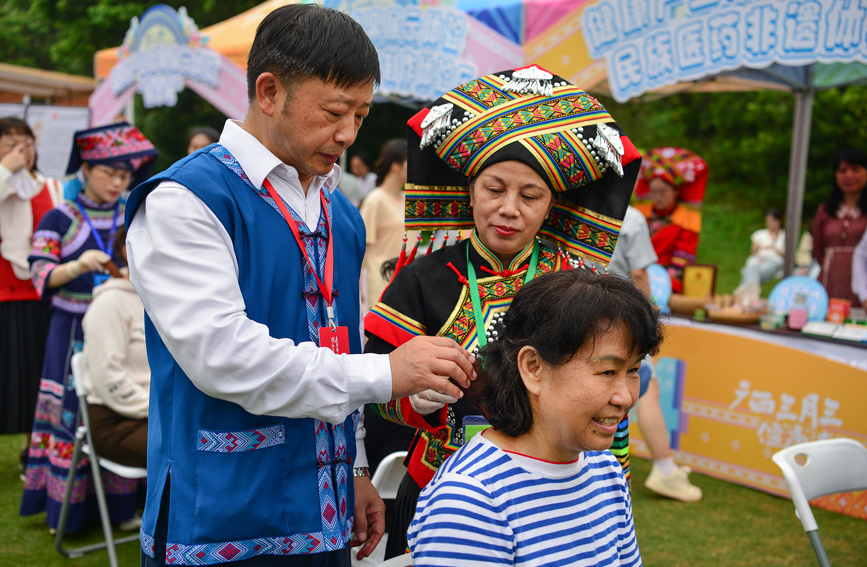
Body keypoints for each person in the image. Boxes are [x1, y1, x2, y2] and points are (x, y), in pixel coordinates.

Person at [123, 6, 475, 566]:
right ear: (268, 91)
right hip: (219, 511)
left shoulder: (343, 214)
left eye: (361, 114)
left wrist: (358, 466)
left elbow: (343, 345)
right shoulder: (185, 200)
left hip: (326, 505)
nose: (349, 133)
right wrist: (387, 373)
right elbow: (222, 356)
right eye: (335, 112)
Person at [363, 65, 641, 558]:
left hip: (558, 493)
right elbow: (373, 393)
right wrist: (413, 395)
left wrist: (615, 471)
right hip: (440, 491)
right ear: (468, 189)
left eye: (530, 195)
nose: (509, 208)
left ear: (552, 204)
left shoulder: (578, 286)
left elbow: (609, 385)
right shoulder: (423, 277)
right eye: (494, 190)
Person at [408, 269, 663, 566]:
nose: (626, 397)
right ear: (533, 368)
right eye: (607, 372)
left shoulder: (605, 471)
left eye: (633, 371)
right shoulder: (471, 498)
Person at [20, 122, 157, 534]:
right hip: (71, 327)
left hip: (127, 321)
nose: (118, 183)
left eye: (125, 176)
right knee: (69, 412)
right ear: (85, 169)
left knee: (122, 404)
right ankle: (67, 511)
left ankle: (120, 508)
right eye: (109, 173)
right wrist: (76, 266)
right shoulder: (58, 216)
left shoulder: (132, 213)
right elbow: (40, 276)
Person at [609, 205, 702, 502]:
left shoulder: (572, 204)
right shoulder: (631, 217)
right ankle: (664, 469)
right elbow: (639, 274)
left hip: (573, 316)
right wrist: (645, 318)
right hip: (618, 319)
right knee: (645, 386)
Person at [0, 117, 63, 441]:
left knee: (37, 377)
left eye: (26, 144)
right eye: (10, 144)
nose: (21, 151)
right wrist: (7, 169)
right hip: (3, 293)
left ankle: (32, 448)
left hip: (40, 294)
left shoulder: (51, 187)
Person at [81, 224, 149, 469]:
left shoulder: (163, 301)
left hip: (159, 415)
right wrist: (162, 411)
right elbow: (108, 377)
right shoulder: (110, 302)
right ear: (130, 251)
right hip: (116, 422)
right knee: (196, 452)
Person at [634, 147, 708, 293]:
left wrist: (664, 289)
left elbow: (681, 261)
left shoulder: (685, 221)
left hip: (663, 285)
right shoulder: (642, 216)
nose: (657, 197)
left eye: (663, 192)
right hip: (634, 277)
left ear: (676, 191)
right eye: (653, 192)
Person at [812, 148, 867, 303]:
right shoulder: (825, 211)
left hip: (862, 285)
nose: (849, 175)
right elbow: (818, 249)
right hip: (829, 280)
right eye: (843, 170)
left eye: (855, 169)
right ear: (835, 175)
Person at [360, 139, 407, 307]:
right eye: (410, 163)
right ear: (396, 166)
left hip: (406, 281)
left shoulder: (408, 201)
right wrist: (357, 288)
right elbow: (362, 247)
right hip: (380, 282)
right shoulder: (375, 200)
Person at [738, 208, 785, 288]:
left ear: (778, 221)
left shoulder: (784, 235)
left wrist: (773, 248)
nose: (770, 224)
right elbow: (752, 254)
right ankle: (750, 295)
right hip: (759, 261)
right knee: (753, 265)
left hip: (774, 262)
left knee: (748, 272)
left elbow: (788, 256)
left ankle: (741, 295)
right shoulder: (760, 234)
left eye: (772, 221)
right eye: (768, 221)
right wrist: (755, 249)